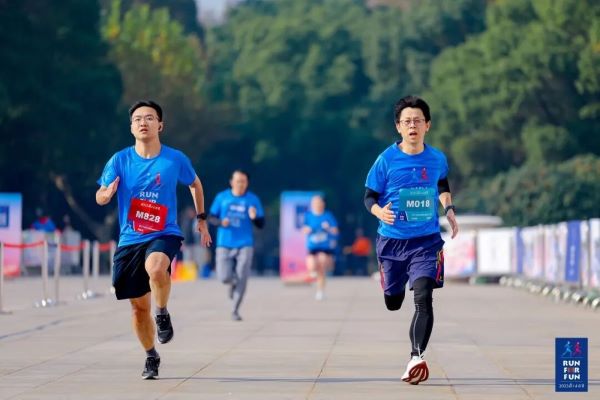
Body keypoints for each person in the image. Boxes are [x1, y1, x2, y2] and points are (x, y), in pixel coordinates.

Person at [96, 100, 211, 380]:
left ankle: (162, 313)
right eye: (137, 119)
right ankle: (151, 355)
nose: (143, 122)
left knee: (157, 268)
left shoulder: (174, 159)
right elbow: (99, 195)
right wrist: (106, 195)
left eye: (149, 118)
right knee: (138, 309)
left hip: (164, 232)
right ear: (131, 127)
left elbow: (195, 183)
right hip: (130, 239)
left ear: (160, 125)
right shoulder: (120, 160)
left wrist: (201, 218)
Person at [364, 95, 458, 385]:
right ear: (398, 127)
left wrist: (449, 209)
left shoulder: (437, 158)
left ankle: (416, 357)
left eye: (418, 120)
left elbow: (441, 183)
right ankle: (391, 283)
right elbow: (369, 197)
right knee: (393, 302)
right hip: (392, 242)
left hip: (427, 242)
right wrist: (380, 212)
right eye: (407, 121)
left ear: (427, 125)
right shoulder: (386, 160)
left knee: (423, 297)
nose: (412, 126)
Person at [208, 169, 265, 321]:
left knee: (242, 276)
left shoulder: (253, 199)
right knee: (223, 277)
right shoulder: (222, 197)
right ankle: (232, 283)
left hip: (245, 244)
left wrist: (254, 217)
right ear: (231, 182)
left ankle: (235, 310)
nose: (241, 184)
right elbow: (211, 218)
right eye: (238, 181)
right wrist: (221, 222)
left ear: (247, 183)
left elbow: (261, 224)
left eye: (244, 181)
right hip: (224, 243)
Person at [302, 195, 339, 300]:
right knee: (312, 266)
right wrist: (307, 230)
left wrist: (328, 228)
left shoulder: (328, 215)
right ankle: (312, 273)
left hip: (324, 246)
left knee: (322, 267)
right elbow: (303, 229)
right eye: (314, 202)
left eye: (319, 202)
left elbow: (335, 231)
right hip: (312, 246)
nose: (317, 204)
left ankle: (320, 291)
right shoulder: (308, 215)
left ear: (323, 204)